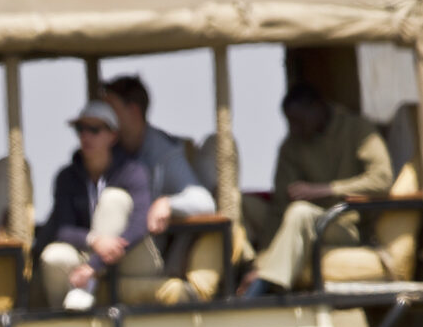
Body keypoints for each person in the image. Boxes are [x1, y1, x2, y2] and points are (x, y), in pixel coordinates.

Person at [241, 84, 394, 296]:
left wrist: (328, 189)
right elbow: (279, 208)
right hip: (301, 222)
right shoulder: (291, 146)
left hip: (344, 224)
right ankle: (243, 270)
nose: (294, 129)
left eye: (299, 121)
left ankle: (263, 288)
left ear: (318, 107)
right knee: (241, 203)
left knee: (300, 212)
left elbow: (382, 179)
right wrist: (262, 259)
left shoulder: (357, 129)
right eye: (290, 122)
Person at [35, 100, 157, 310]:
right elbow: (63, 228)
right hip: (90, 252)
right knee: (53, 256)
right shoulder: (66, 177)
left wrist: (94, 266)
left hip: (131, 255)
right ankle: (64, 317)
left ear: (113, 136)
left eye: (94, 129)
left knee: (113, 198)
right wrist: (95, 240)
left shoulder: (133, 171)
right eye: (80, 129)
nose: (86, 136)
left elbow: (140, 224)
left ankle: (87, 285)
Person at [102, 75, 215, 233]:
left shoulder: (163, 153)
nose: (103, 117)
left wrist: (167, 204)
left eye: (110, 109)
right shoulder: (105, 150)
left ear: (133, 111)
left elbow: (204, 202)